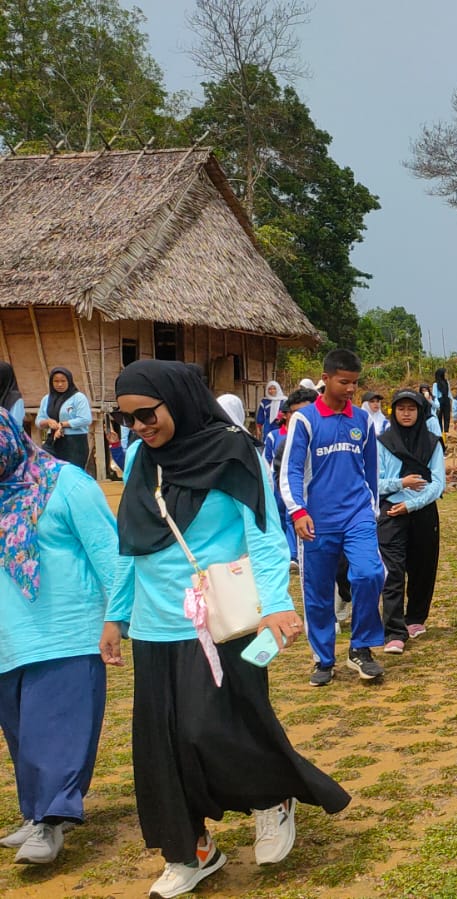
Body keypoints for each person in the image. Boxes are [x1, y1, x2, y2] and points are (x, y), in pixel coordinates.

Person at [107, 360, 348, 896]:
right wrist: (114, 613)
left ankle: (271, 797)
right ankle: (190, 851)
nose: (140, 427)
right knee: (161, 747)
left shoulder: (233, 451)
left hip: (223, 618)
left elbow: (262, 533)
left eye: (148, 414)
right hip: (154, 624)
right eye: (128, 420)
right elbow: (132, 542)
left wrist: (277, 604)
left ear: (178, 398)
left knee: (210, 727)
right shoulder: (139, 460)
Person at [0, 413, 128, 865]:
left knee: (56, 731)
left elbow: (108, 552)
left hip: (67, 631)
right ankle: (36, 812)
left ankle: (52, 821)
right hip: (9, 637)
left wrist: (116, 619)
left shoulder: (66, 484)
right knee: (23, 735)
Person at [280, 349, 386, 684]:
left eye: (355, 382)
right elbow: (291, 470)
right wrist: (298, 511)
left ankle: (361, 648)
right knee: (318, 592)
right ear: (325, 379)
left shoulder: (362, 420)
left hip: (358, 515)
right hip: (316, 520)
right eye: (344, 382)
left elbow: (371, 470)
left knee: (370, 574)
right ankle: (323, 660)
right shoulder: (305, 419)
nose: (352, 389)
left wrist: (372, 509)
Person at [374, 390, 446, 655]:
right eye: (401, 408)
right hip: (392, 511)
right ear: (394, 412)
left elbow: (438, 483)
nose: (406, 413)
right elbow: (374, 480)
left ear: (420, 412)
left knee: (423, 567)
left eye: (411, 409)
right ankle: (394, 630)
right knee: (392, 571)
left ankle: (415, 618)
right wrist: (401, 484)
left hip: (423, 510)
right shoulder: (382, 442)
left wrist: (412, 504)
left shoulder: (432, 442)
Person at [262, 388, 318, 556]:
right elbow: (277, 470)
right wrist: (289, 498)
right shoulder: (281, 442)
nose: (299, 417)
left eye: (304, 412)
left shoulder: (328, 436)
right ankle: (292, 555)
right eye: (294, 413)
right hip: (297, 502)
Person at [35, 367, 91, 470]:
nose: (59, 384)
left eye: (63, 381)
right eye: (56, 381)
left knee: (72, 473)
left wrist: (62, 424)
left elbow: (85, 419)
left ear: (69, 381)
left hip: (74, 443)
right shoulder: (47, 399)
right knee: (50, 472)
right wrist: (48, 422)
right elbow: (38, 420)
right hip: (52, 441)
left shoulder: (78, 398)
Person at [432, 368, 453, 437]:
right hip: (439, 401)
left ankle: (446, 431)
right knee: (439, 416)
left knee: (447, 416)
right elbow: (435, 395)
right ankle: (440, 432)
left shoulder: (447, 382)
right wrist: (437, 404)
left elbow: (449, 393)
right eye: (445, 373)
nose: (446, 375)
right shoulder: (435, 384)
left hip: (446, 400)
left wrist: (451, 401)